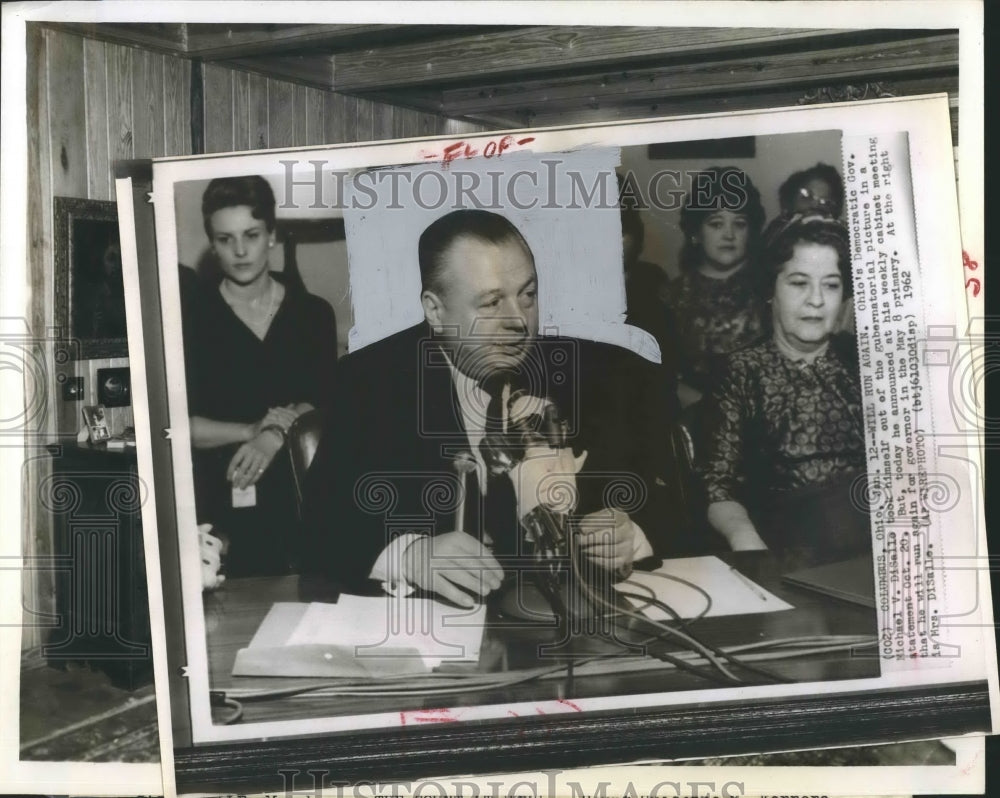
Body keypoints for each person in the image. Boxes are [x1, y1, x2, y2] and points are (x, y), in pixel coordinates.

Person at [301, 209, 677, 608]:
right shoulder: (369, 382)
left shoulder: (596, 373)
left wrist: (631, 532)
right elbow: (321, 527)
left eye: (527, 295)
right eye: (491, 302)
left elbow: (668, 497)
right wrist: (411, 557)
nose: (518, 321)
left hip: (577, 625)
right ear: (435, 310)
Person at [181, 175, 338, 577]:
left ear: (271, 234)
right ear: (212, 244)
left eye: (250, 235)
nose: (239, 251)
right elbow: (182, 427)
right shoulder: (191, 319)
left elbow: (324, 400)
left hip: (305, 494)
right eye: (224, 239)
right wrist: (252, 430)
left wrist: (274, 436)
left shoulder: (313, 313)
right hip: (218, 504)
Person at [699, 215, 868, 563]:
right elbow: (717, 486)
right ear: (769, 289)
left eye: (832, 285)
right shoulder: (742, 371)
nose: (817, 300)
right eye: (799, 283)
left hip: (869, 550)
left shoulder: (864, 362)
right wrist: (750, 548)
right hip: (788, 552)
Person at [662, 166, 768, 406]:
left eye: (739, 224)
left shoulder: (770, 292)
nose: (729, 235)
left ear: (750, 232)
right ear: (695, 233)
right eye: (716, 224)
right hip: (694, 420)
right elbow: (661, 377)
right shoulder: (670, 297)